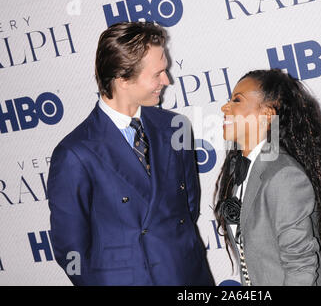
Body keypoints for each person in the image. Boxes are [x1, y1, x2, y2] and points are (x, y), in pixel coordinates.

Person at [47, 21, 214, 286]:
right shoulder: (75, 154)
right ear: (122, 79)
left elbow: (187, 209)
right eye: (157, 74)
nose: (167, 80)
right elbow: (70, 249)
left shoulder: (176, 127)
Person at [214, 69, 321, 286]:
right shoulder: (237, 172)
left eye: (237, 100)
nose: (225, 107)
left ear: (266, 115)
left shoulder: (284, 175)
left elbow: (300, 267)